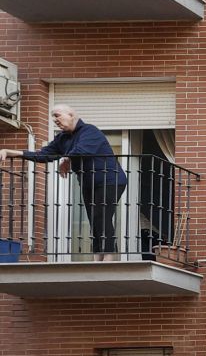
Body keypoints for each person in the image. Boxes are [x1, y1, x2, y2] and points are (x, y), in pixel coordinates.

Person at [0, 104, 128, 258]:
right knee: (94, 219)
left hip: (110, 180)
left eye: (57, 115)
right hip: (89, 183)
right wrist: (10, 152)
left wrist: (66, 158)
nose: (55, 120)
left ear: (71, 115)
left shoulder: (89, 130)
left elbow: (82, 150)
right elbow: (44, 155)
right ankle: (98, 258)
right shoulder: (62, 138)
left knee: (102, 216)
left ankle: (108, 258)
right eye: (53, 117)